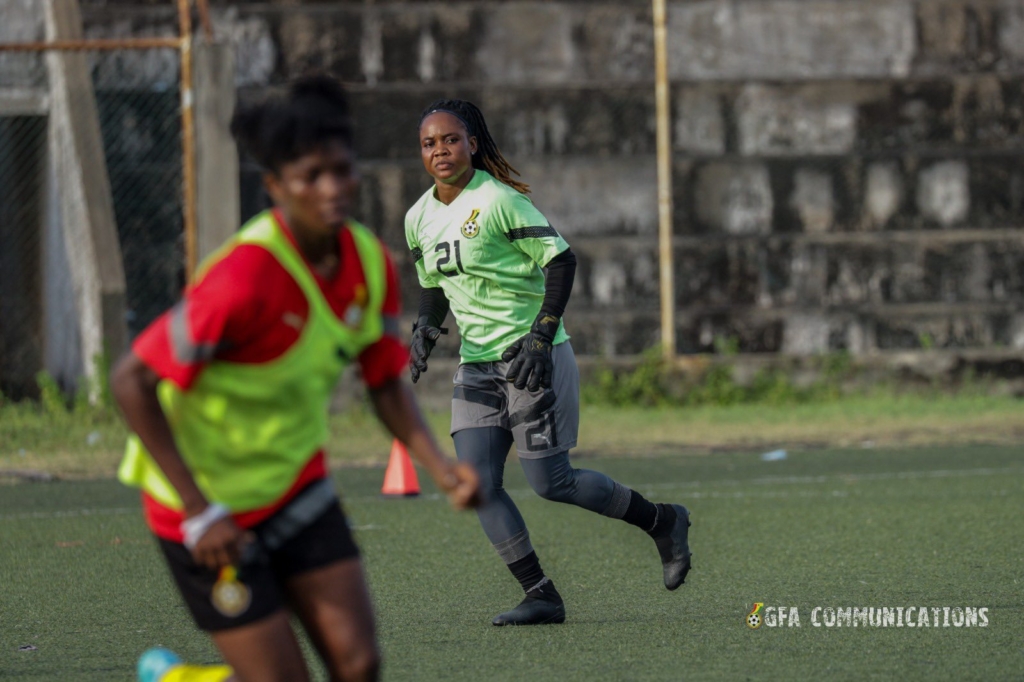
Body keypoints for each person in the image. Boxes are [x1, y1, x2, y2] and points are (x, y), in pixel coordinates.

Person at [111, 75, 479, 682]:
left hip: (294, 486)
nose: (333, 188)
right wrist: (201, 512)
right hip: (204, 504)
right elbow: (131, 381)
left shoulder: (367, 260)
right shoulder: (244, 278)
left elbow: (384, 379)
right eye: (312, 176)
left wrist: (441, 469)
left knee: (359, 664)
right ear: (277, 187)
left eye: (342, 169)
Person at [404, 99, 692, 627]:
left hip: (530, 356)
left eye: (450, 139)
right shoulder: (417, 216)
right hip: (477, 365)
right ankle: (540, 594)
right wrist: (424, 328)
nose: (440, 150)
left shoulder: (498, 201)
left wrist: (541, 335)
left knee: (551, 483)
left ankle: (664, 521)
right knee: (476, 483)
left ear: (472, 143)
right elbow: (432, 284)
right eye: (429, 143)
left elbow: (561, 260)